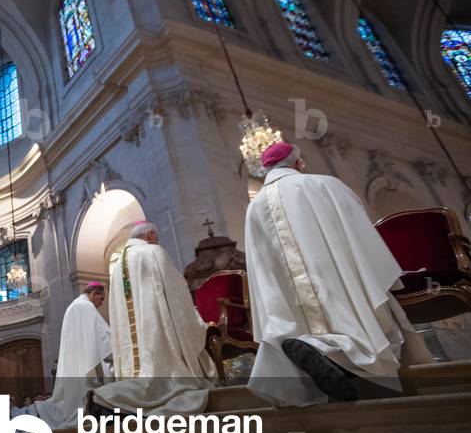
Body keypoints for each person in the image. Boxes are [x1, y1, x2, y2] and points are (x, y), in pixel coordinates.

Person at [244, 141, 434, 407]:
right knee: (361, 323)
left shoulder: (253, 208)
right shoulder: (324, 185)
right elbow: (360, 233)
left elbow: (261, 268)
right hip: (338, 279)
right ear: (298, 163)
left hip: (294, 299)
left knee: (297, 324)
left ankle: (318, 352)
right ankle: (336, 354)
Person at [92, 222, 215, 415]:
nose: (157, 241)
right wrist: (196, 320)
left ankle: (130, 389)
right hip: (156, 328)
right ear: (150, 235)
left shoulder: (117, 266)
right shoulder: (153, 252)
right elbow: (177, 293)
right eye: (156, 237)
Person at [49, 283, 112, 422]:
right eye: (101, 298)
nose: (101, 303)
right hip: (84, 361)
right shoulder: (86, 306)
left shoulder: (73, 306)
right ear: (94, 293)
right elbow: (103, 335)